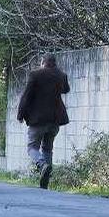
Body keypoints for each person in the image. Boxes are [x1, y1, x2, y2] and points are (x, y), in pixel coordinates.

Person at [17, 54, 70, 189]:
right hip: (55, 119)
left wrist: (20, 114)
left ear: (43, 62)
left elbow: (26, 96)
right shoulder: (61, 75)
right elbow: (66, 89)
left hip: (38, 119)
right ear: (55, 63)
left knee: (32, 147)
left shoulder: (35, 75)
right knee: (48, 148)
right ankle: (45, 182)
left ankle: (41, 165)